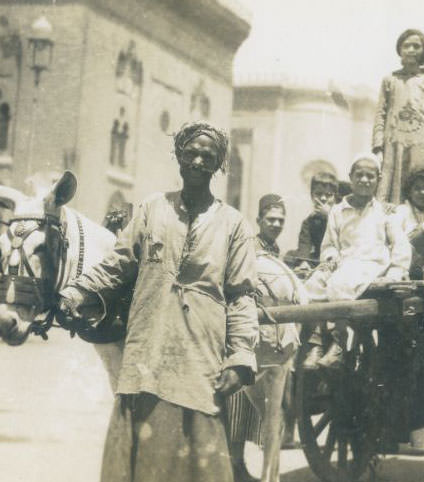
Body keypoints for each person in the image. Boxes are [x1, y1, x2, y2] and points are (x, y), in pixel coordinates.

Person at [58, 121, 259, 482]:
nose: (198, 160)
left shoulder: (234, 225)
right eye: (190, 153)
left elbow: (242, 295)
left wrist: (240, 357)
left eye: (207, 155)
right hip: (146, 353)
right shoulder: (152, 209)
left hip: (201, 356)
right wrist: (77, 291)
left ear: (219, 164)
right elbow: (118, 264)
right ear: (178, 157)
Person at [302, 153, 411, 369]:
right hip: (344, 263)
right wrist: (331, 258)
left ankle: (338, 344)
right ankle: (317, 343)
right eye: (359, 175)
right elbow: (330, 244)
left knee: (340, 283)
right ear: (350, 177)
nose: (364, 180)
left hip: (371, 264)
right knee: (310, 286)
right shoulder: (337, 211)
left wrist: (395, 273)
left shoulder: (386, 212)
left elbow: (401, 245)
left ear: (378, 180)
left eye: (370, 176)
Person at [228, 194, 303, 482]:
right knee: (237, 405)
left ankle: (268, 474)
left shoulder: (275, 251)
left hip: (274, 339)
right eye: (271, 219)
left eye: (281, 220)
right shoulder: (250, 248)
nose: (276, 224)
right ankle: (234, 466)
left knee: (272, 412)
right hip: (247, 335)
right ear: (258, 220)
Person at [373, 28, 424, 204]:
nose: (411, 50)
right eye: (406, 46)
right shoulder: (390, 79)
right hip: (394, 145)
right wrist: (378, 147)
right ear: (399, 49)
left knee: (419, 191)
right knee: (390, 193)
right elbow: (380, 114)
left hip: (421, 146)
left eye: (416, 46)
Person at [292, 172, 339, 278]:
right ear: (312, 196)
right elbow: (304, 244)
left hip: (339, 258)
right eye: (318, 194)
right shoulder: (309, 222)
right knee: (291, 257)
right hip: (321, 261)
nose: (323, 198)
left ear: (335, 197)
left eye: (328, 195)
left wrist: (329, 215)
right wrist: (304, 261)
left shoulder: (340, 216)